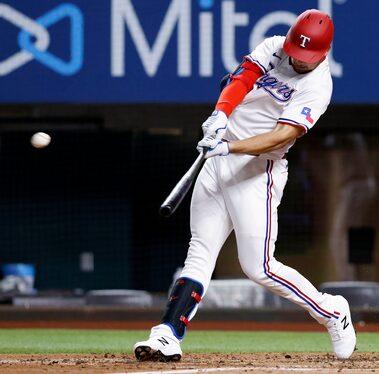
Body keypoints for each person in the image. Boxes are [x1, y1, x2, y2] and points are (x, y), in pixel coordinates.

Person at [134, 9, 356, 362]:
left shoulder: (318, 87)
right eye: (294, 53)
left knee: (259, 267)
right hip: (217, 158)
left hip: (256, 171)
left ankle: (331, 311)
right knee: (200, 250)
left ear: (322, 54)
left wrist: (230, 146)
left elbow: (281, 135)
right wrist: (220, 115)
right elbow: (241, 79)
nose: (296, 61)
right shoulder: (274, 46)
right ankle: (168, 333)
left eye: (305, 58)